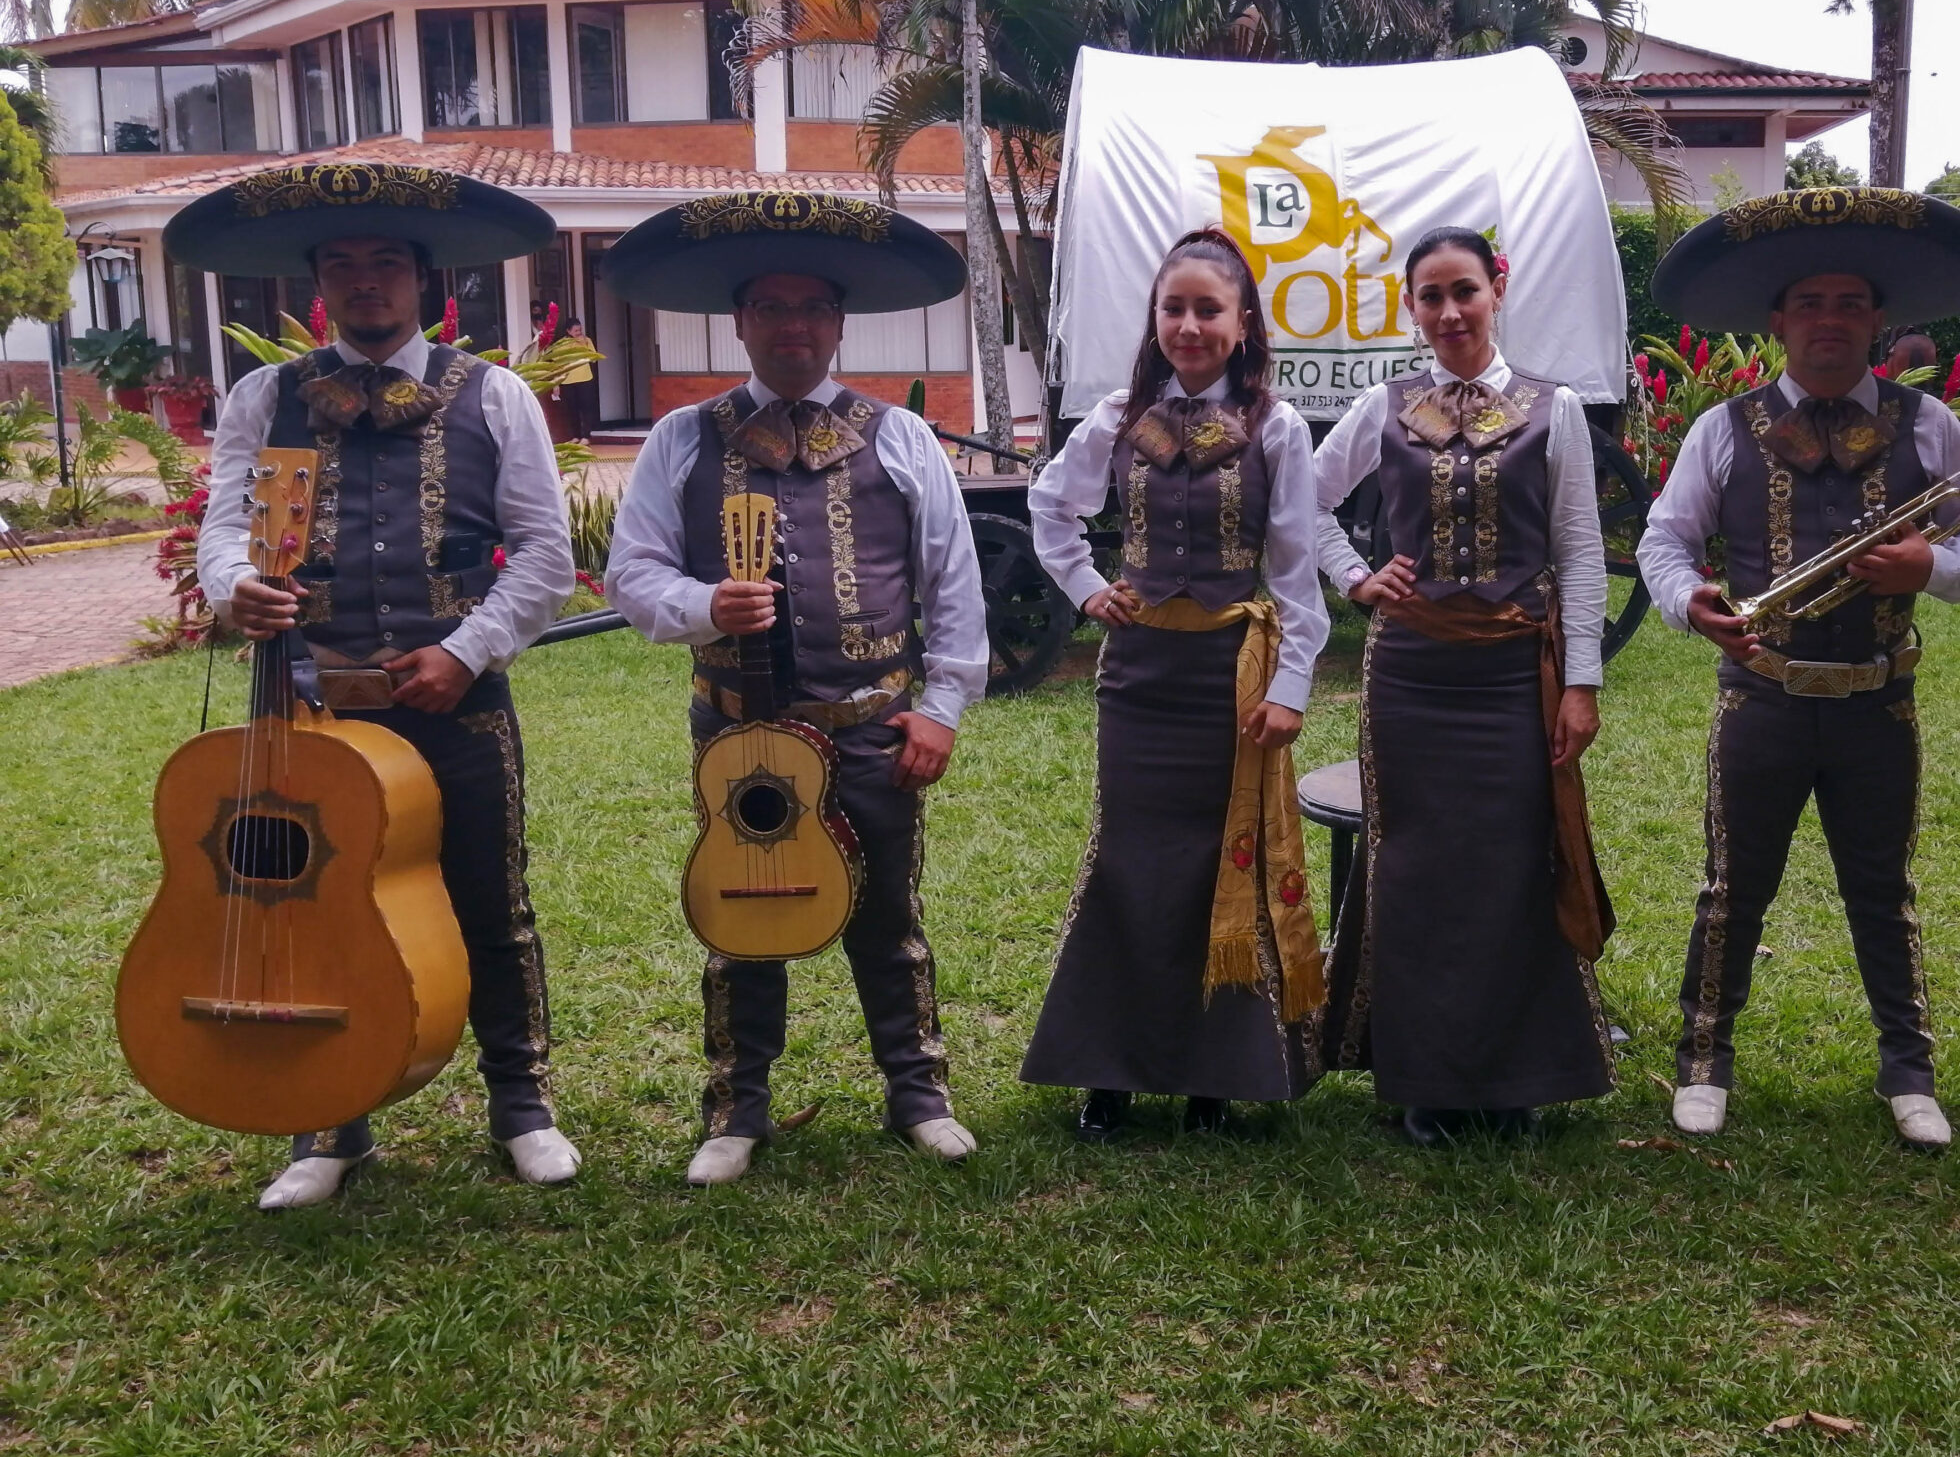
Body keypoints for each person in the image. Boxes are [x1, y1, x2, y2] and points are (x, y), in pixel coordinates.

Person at [171, 162, 581, 1210]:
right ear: (317, 285)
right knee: (308, 905)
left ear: (424, 281)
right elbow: (225, 523)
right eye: (342, 265)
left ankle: (522, 1105)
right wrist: (236, 586)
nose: (365, 282)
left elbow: (543, 550)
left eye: (385, 263)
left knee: (493, 903)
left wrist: (468, 649)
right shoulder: (266, 394)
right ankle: (329, 1121)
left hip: (454, 698)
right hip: (304, 703)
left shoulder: (493, 394)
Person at [601, 192, 989, 1184]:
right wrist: (703, 607)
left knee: (887, 919)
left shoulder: (899, 438)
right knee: (740, 913)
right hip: (736, 728)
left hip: (871, 726)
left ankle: (918, 1092)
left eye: (811, 308)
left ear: (838, 324)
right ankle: (737, 1107)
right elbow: (632, 577)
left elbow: (952, 585)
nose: (792, 327)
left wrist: (940, 709)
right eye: (771, 308)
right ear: (739, 323)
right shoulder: (684, 438)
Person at [1637, 189, 1960, 1147]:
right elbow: (1664, 543)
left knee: (1882, 890)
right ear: (1779, 322)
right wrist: (1691, 604)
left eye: (1850, 304)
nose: (1831, 321)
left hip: (1879, 700)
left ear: (1877, 321)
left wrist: (1933, 564)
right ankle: (1705, 1059)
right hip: (1761, 694)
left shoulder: (1929, 428)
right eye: (1811, 304)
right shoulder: (1725, 427)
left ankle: (1909, 1071)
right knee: (1733, 885)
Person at [1020, 229, 1329, 1138]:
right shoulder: (1119, 418)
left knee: (1218, 861)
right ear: (1156, 320)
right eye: (1174, 308)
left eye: (1208, 310)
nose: (1189, 325)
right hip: (1140, 676)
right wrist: (1086, 587)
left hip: (1231, 678)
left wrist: (1293, 687)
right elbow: (1051, 507)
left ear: (1241, 324)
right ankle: (1109, 1070)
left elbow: (1297, 571)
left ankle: (1212, 1075)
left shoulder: (1276, 426)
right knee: (1129, 860)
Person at [1311, 227, 1614, 1145]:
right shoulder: (1385, 404)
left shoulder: (1552, 409)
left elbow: (1581, 550)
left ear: (1497, 290)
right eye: (1430, 296)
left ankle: (1515, 1075)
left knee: (1517, 865)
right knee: (1416, 868)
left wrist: (1583, 684)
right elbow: (1305, 505)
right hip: (1410, 674)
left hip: (1513, 676)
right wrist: (1356, 576)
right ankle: (1426, 1080)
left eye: (1465, 292)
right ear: (1412, 307)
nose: (1449, 313)